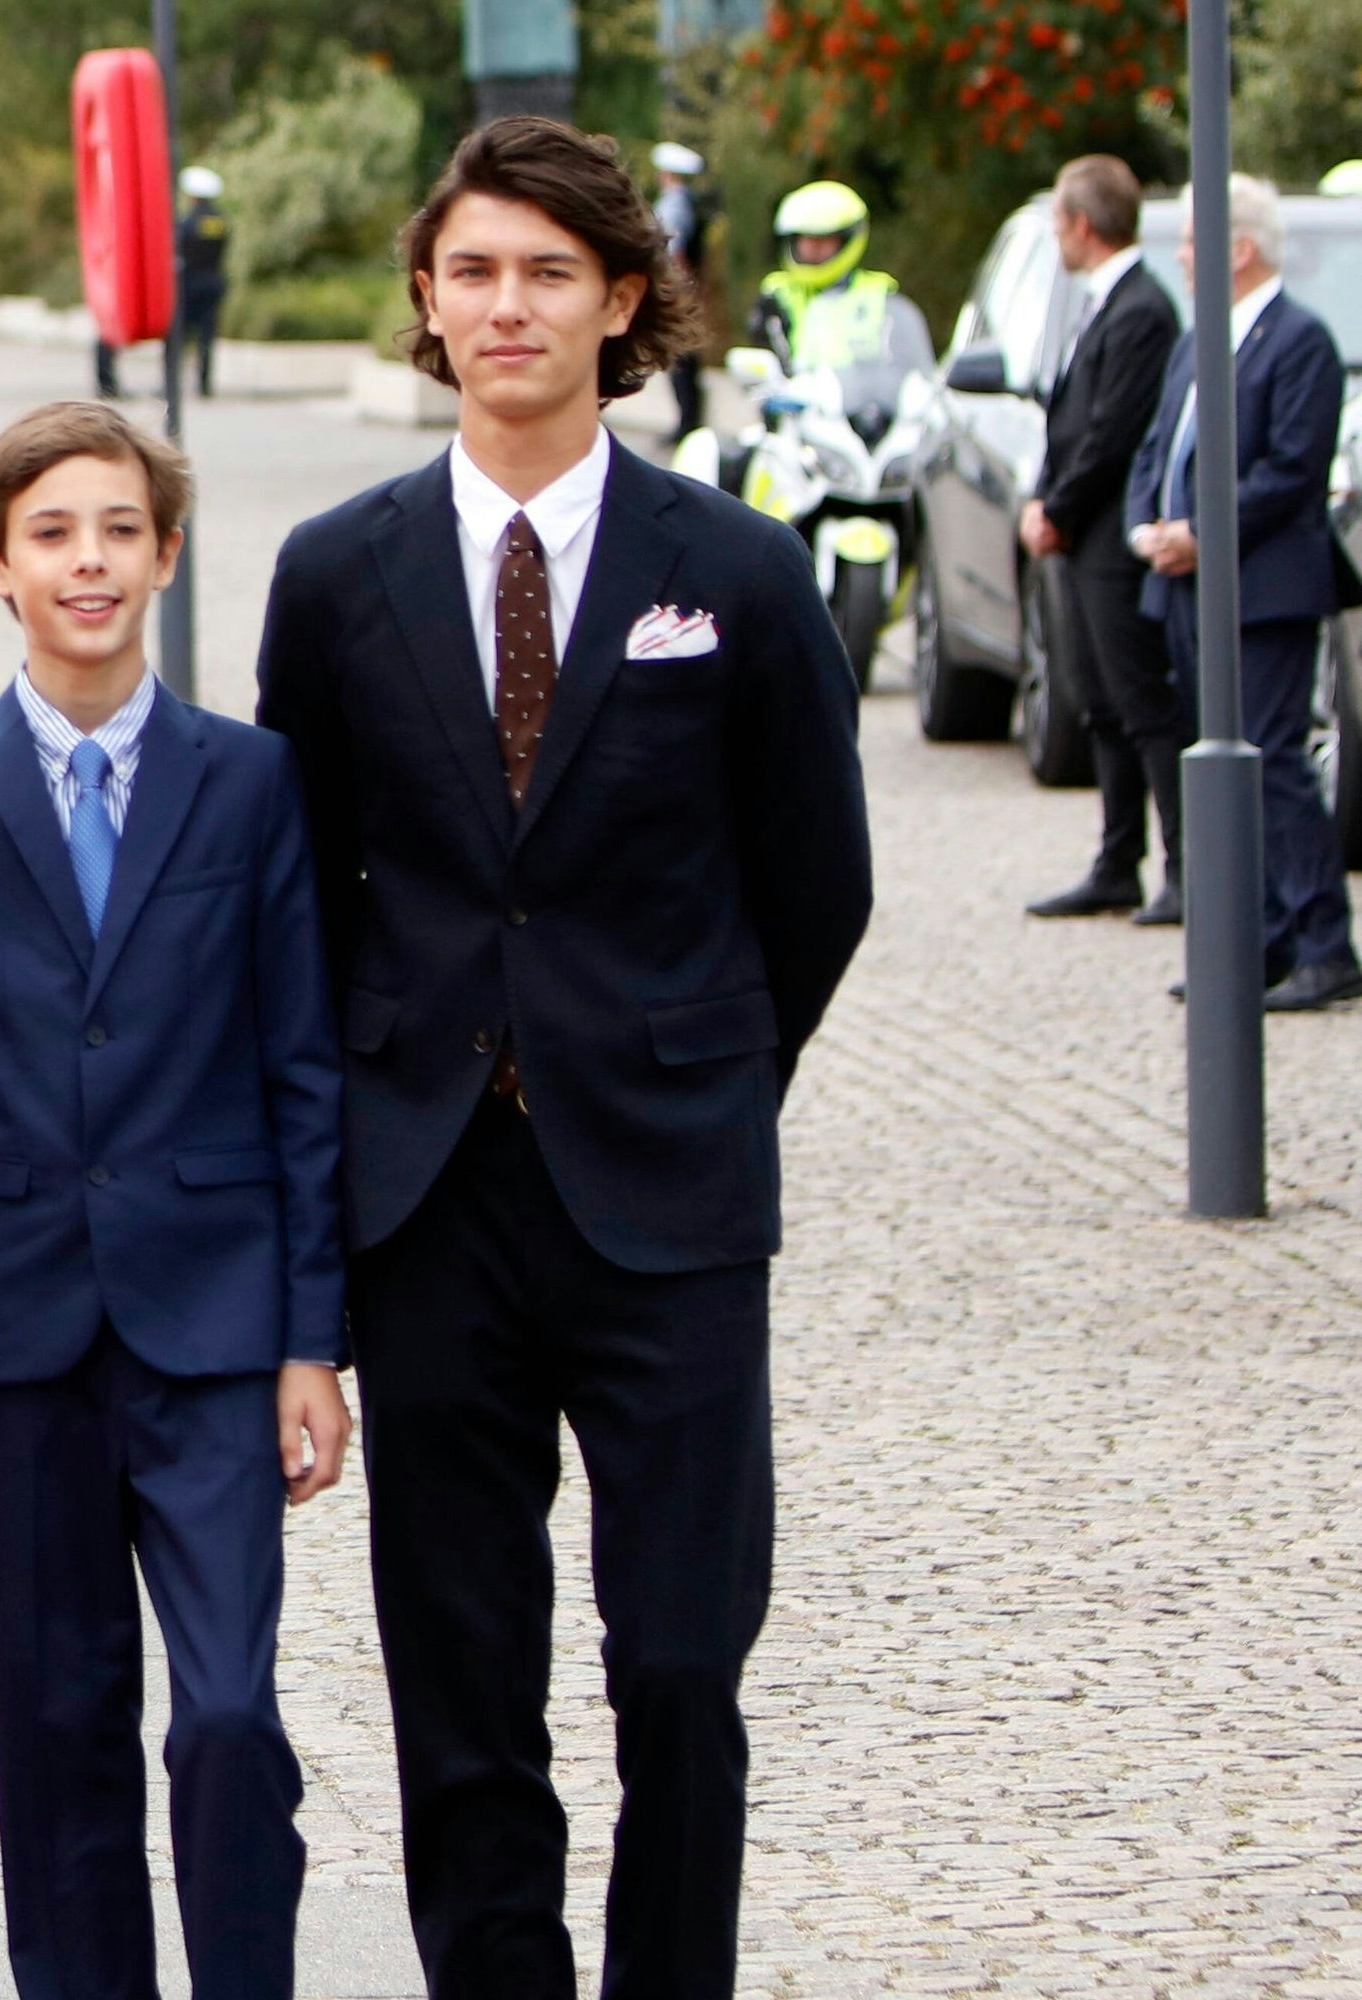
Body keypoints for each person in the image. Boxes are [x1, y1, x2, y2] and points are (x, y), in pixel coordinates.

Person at [251, 119, 871, 1995]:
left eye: (546, 272)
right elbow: (307, 890)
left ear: (622, 300)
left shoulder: (739, 573)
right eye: (471, 271)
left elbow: (817, 885)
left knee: (682, 1657)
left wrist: (697, 1075)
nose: (505, 305)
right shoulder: (335, 573)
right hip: (429, 1197)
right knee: (461, 1668)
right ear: (428, 306)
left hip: (668, 1195)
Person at [0, 402, 349, 2000]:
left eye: (120, 531)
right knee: (58, 1717)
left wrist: (313, 1343)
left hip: (215, 1320)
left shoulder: (251, 781)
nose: (90, 562)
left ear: (167, 552)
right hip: (17, 1331)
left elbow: (303, 1066)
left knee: (223, 1712)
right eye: (55, 534)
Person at [1127, 174, 1362, 1011]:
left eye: (1194, 240)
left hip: (1262, 587)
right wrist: (1148, 528)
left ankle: (1326, 944)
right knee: (1220, 766)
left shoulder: (1300, 341)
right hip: (1185, 586)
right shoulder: (1198, 341)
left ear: (1241, 247)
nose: (1183, 256)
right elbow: (1158, 451)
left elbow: (1291, 471)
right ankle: (1261, 944)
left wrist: (1202, 535)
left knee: (1272, 761)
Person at [1021, 155, 1187, 925]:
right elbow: (1071, 419)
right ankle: (1117, 859)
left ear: (1084, 226)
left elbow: (1113, 430)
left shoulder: (1142, 310)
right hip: (1085, 534)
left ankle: (1184, 865)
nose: (1057, 235)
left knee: (1142, 698)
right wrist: (1043, 497)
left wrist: (1058, 507)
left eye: (1058, 221)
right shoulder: (1104, 303)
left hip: (1115, 536)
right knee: (1099, 702)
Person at [749, 179, 927, 378]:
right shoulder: (777, 293)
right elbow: (764, 357)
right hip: (796, 402)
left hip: (863, 402)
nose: (813, 248)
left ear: (846, 239)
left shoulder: (879, 292)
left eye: (824, 239)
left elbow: (904, 359)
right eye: (806, 239)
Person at [651, 142, 715, 444]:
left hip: (679, 291)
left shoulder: (673, 203)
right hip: (690, 289)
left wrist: (677, 289)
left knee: (680, 357)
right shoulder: (690, 201)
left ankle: (686, 426)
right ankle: (689, 422)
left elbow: (673, 250)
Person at [173, 167, 230, 401]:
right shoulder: (220, 221)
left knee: (179, 336)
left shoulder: (187, 222)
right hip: (213, 282)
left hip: (188, 285)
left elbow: (178, 251)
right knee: (207, 336)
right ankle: (204, 384)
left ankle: (173, 381)